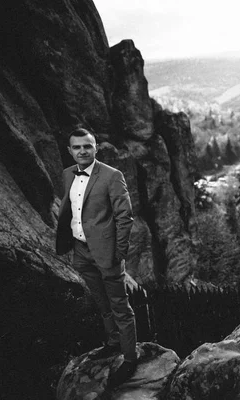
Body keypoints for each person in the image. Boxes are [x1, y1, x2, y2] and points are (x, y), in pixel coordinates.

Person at [55, 127, 138, 388]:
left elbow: (125, 217)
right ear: (70, 150)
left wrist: (118, 254)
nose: (82, 151)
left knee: (120, 306)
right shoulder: (68, 174)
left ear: (95, 148)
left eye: (87, 146)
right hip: (80, 252)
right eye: (77, 147)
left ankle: (130, 358)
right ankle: (113, 344)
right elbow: (71, 210)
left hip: (107, 254)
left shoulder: (112, 176)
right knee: (101, 303)